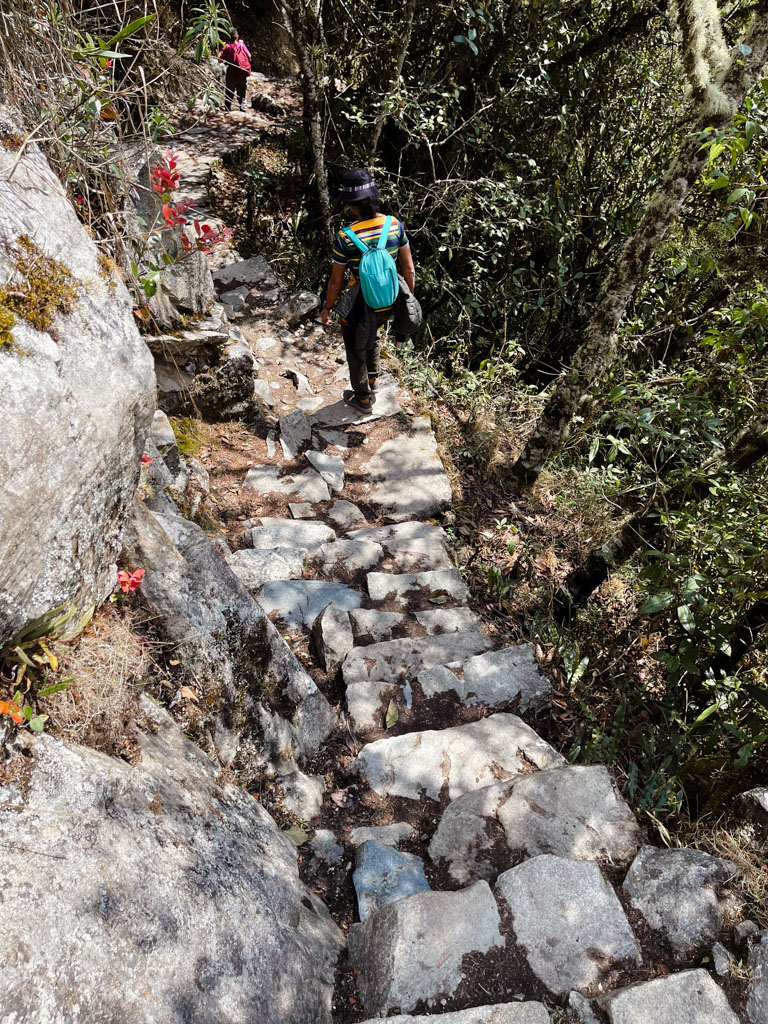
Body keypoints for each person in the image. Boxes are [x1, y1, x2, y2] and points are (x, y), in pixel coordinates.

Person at [321, 168, 416, 413]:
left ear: (351, 205)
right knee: (373, 335)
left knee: (354, 346)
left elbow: (336, 282)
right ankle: (372, 378)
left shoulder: (345, 237)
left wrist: (328, 307)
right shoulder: (394, 224)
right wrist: (405, 299)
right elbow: (409, 268)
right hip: (390, 299)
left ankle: (362, 398)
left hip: (361, 303)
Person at [218, 29, 251, 112]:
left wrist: (222, 48)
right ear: (237, 36)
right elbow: (249, 56)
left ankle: (227, 109)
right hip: (242, 71)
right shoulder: (241, 45)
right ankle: (243, 109)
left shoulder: (227, 46)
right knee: (242, 94)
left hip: (231, 72)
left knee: (229, 92)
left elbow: (219, 59)